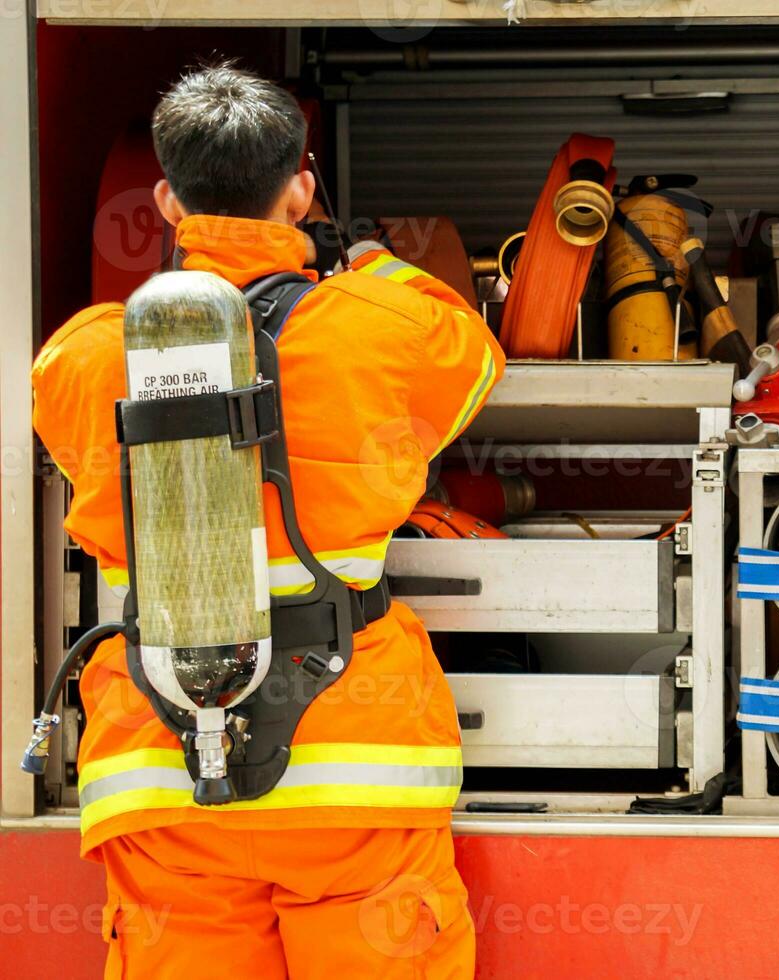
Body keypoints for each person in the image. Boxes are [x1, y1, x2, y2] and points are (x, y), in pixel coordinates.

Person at [31, 61, 501, 979]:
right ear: (302, 187)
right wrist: (366, 260)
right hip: (355, 774)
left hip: (162, 785)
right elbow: (470, 350)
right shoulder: (381, 328)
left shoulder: (81, 358)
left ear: (168, 202)